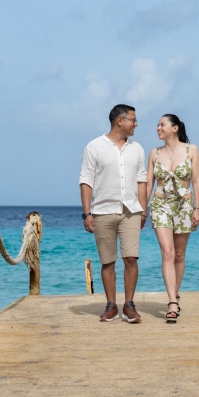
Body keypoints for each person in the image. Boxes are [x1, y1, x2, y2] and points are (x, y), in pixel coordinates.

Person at [79, 104, 148, 323]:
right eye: (133, 120)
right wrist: (86, 213)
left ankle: (129, 305)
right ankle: (110, 305)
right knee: (107, 261)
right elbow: (86, 180)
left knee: (131, 258)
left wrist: (143, 210)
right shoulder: (94, 147)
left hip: (130, 211)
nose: (136, 124)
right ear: (120, 121)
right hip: (102, 211)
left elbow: (142, 181)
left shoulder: (137, 148)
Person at [147, 114, 199, 323]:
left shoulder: (192, 150)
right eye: (158, 125)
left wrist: (197, 208)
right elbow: (148, 182)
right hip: (160, 204)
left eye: (162, 124)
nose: (158, 128)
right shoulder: (154, 152)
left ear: (175, 128)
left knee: (179, 254)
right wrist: (143, 210)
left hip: (184, 205)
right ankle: (172, 301)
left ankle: (175, 295)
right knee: (167, 252)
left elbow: (196, 181)